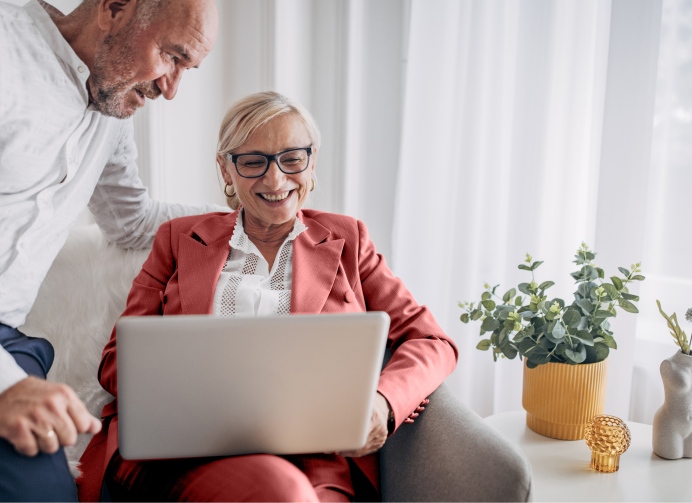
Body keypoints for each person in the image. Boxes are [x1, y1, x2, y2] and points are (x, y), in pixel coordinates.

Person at [0, 0, 220, 502]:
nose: (170, 89)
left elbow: (132, 221)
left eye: (187, 69)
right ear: (116, 7)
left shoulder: (110, 115)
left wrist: (250, 216)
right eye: (172, 55)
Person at [77, 91, 459, 503]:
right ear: (226, 168)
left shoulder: (349, 240)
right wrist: (192, 384)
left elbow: (432, 342)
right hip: (178, 452)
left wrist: (382, 404)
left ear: (311, 162)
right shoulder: (177, 239)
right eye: (253, 162)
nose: (275, 181)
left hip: (316, 459)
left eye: (292, 159)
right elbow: (116, 361)